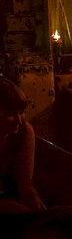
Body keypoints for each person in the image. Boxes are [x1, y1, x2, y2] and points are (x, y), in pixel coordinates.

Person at [0, 78, 45, 212]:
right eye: (10, 114)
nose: (19, 121)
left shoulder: (24, 132)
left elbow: (25, 185)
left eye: (21, 112)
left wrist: (33, 199)